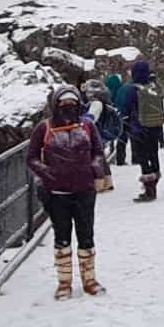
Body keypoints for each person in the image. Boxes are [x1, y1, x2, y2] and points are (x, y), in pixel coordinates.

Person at [25, 86, 108, 299]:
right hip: (57, 193)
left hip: (84, 191)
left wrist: (94, 169)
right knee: (62, 237)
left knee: (86, 235)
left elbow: (98, 152)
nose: (68, 107)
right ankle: (64, 283)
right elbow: (31, 157)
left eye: (72, 103)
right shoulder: (43, 129)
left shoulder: (87, 126)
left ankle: (89, 280)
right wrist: (48, 173)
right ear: (55, 105)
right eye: (63, 104)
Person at [119, 60, 164, 202]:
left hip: (139, 129)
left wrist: (125, 123)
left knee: (143, 158)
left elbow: (126, 109)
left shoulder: (132, 89)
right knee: (153, 153)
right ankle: (155, 180)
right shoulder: (153, 87)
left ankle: (149, 190)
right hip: (155, 127)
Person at [81, 77, 118, 192]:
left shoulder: (96, 103)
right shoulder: (103, 102)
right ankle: (107, 182)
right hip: (100, 134)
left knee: (96, 159)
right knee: (101, 158)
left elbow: (91, 118)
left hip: (96, 135)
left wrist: (82, 122)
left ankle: (99, 184)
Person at [103, 72, 128, 166]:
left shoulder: (105, 92)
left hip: (108, 117)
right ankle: (119, 157)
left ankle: (109, 152)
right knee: (121, 136)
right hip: (118, 115)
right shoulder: (121, 91)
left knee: (108, 136)